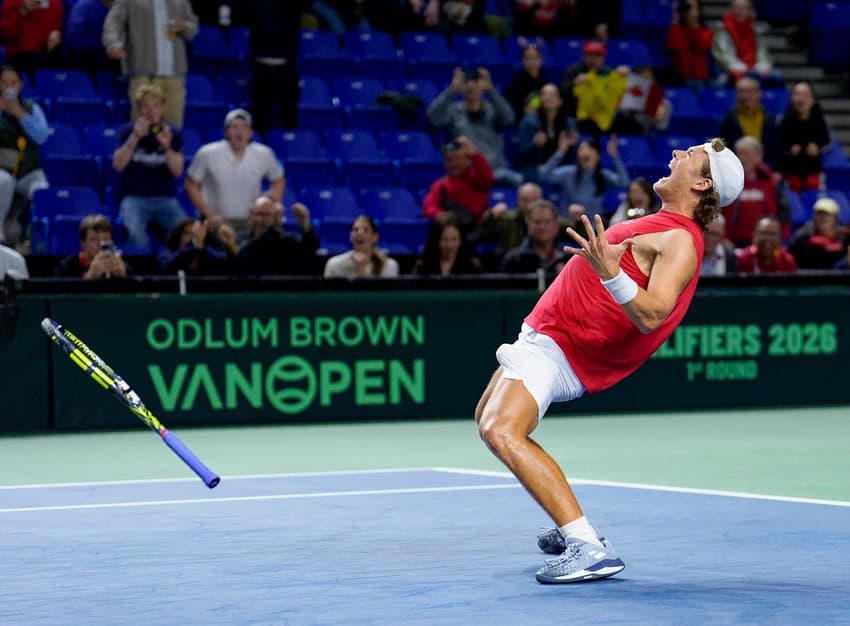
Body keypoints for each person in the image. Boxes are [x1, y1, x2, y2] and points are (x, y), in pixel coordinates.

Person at [474, 137, 744, 584]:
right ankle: (571, 528)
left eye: (689, 156)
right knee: (488, 419)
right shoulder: (660, 225)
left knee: (500, 429)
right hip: (549, 337)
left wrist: (611, 273)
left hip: (563, 349)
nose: (676, 154)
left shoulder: (680, 238)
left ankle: (587, 546)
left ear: (700, 183)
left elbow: (653, 313)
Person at [111, 83, 186, 250]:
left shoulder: (173, 133)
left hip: (165, 199)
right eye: (146, 107)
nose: (151, 112)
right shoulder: (128, 132)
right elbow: (118, 165)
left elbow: (178, 171)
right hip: (134, 198)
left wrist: (167, 146)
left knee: (186, 234)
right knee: (135, 235)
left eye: (156, 106)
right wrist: (135, 137)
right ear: (139, 109)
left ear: (163, 108)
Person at [102, 0, 198, 128]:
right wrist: (113, 44)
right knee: (142, 125)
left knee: (174, 127)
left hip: (174, 74)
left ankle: (171, 148)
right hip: (144, 73)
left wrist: (184, 26)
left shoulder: (180, 2)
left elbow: (193, 28)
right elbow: (113, 22)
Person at [184, 109, 285, 226]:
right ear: (226, 132)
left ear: (250, 132)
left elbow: (278, 179)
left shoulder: (264, 154)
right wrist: (209, 214)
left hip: (250, 222)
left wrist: (271, 204)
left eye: (244, 127)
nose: (239, 132)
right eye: (234, 127)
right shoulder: (207, 153)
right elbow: (191, 185)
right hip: (217, 221)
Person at [427, 66, 521, 187]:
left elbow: (509, 119)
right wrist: (452, 91)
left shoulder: (493, 110)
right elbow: (433, 118)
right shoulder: (453, 111)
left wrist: (491, 90)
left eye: (476, 82)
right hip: (468, 172)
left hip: (496, 171)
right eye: (466, 82)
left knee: (524, 185)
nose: (471, 86)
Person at [0, 65, 49, 246]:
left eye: (13, 82)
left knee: (42, 190)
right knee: (3, 182)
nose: (9, 87)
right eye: (4, 82)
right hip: (3, 169)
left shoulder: (31, 107)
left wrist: (21, 115)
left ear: (20, 85)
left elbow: (41, 136)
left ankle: (36, 240)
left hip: (29, 170)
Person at [244, 0, 312, 132]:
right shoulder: (256, 5)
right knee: (260, 121)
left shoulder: (293, 5)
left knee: (289, 120)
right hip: (261, 67)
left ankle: (288, 148)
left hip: (286, 68)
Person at [539, 133, 629, 222]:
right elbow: (544, 176)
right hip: (569, 222)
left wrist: (615, 156)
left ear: (597, 156)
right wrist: (560, 152)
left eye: (589, 149)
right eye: (582, 149)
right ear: (578, 155)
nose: (585, 151)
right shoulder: (568, 173)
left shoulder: (603, 175)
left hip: (593, 225)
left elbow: (624, 182)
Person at [422, 136, 494, 233]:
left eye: (457, 159)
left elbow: (488, 179)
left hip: (477, 229)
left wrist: (475, 154)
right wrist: (439, 215)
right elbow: (429, 206)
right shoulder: (440, 184)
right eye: (448, 159)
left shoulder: (477, 179)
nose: (453, 163)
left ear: (468, 161)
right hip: (453, 230)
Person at [723, 135, 782, 247]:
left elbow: (783, 214)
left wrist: (777, 239)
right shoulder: (727, 182)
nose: (742, 158)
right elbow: (716, 214)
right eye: (739, 153)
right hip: (733, 243)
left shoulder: (771, 183)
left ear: (758, 156)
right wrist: (723, 238)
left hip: (764, 243)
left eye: (747, 154)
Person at [238, 195, 319, 276]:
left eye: (267, 214)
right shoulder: (242, 238)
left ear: (275, 217)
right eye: (258, 214)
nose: (260, 219)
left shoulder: (285, 240)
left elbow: (309, 251)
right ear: (250, 215)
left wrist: (304, 223)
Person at [778, 82, 832, 193]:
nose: (801, 98)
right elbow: (778, 144)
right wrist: (789, 149)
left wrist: (818, 148)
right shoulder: (784, 121)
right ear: (792, 98)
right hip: (791, 170)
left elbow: (828, 143)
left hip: (813, 169)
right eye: (797, 94)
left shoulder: (821, 120)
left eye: (805, 94)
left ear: (812, 98)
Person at [711, 0, 779, 86]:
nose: (740, 11)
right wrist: (736, 66)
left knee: (776, 76)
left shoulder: (756, 29)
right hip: (729, 71)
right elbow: (722, 54)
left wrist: (763, 64)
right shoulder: (722, 29)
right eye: (737, 7)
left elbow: (763, 52)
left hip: (754, 69)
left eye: (743, 8)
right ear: (731, 9)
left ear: (749, 10)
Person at [717, 76, 780, 167]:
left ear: (759, 94)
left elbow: (775, 148)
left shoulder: (769, 118)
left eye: (750, 91)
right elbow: (724, 148)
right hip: (737, 167)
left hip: (765, 166)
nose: (745, 96)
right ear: (736, 95)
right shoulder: (728, 119)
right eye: (741, 92)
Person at [516, 83, 573, 181]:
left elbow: (571, 157)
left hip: (560, 168)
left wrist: (572, 146)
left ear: (560, 101)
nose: (547, 98)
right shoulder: (529, 122)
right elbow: (520, 155)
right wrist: (534, 145)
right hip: (535, 168)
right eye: (543, 94)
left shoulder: (568, 124)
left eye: (552, 95)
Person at [500, 199, 567, 275]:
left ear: (556, 226)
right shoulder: (513, 260)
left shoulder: (567, 259)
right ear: (528, 226)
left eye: (547, 222)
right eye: (537, 222)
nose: (542, 227)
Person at [0, 0, 64, 79]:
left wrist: (58, 38)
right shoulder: (12, 2)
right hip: (18, 56)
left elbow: (62, 32)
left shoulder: (56, 3)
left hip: (47, 55)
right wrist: (23, 12)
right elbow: (5, 35)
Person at [54, 214, 130, 279]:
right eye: (94, 239)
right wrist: (90, 277)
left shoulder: (121, 266)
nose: (101, 244)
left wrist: (124, 278)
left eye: (106, 239)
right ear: (83, 243)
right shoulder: (66, 268)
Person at [323, 214, 400, 278]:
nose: (359, 233)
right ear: (350, 237)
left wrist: (361, 269)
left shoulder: (389, 266)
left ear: (375, 237)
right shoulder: (334, 264)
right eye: (355, 230)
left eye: (366, 230)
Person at [479, 182, 543, 256]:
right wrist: (491, 216)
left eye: (534, 200)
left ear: (541, 200)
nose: (529, 205)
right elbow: (486, 230)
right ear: (518, 201)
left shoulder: (552, 221)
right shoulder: (508, 219)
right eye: (524, 200)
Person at [155, 218, 236, 275]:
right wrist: (194, 244)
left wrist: (231, 246)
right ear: (178, 236)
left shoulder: (208, 253)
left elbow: (227, 264)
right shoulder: (167, 254)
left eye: (198, 233)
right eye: (189, 233)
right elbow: (168, 266)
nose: (195, 236)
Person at [411, 212, 481, 276]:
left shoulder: (472, 266)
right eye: (444, 240)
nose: (449, 246)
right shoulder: (422, 266)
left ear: (461, 240)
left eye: (454, 239)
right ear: (436, 240)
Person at [787, 197, 847, 270]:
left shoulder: (845, 238)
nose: (822, 218)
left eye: (827, 214)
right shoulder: (802, 237)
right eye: (819, 214)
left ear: (835, 218)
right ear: (813, 217)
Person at [665, 0, 713, 91]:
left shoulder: (705, 31)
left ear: (698, 11)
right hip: (679, 77)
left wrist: (694, 26)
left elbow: (702, 47)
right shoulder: (677, 29)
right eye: (687, 7)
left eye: (692, 8)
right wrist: (676, 18)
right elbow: (673, 46)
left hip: (698, 78)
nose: (689, 11)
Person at [504, 42, 547, 126]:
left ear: (541, 60)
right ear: (522, 60)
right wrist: (524, 111)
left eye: (535, 58)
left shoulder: (546, 85)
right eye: (528, 58)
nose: (531, 62)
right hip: (523, 124)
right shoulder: (514, 85)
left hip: (543, 124)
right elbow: (509, 112)